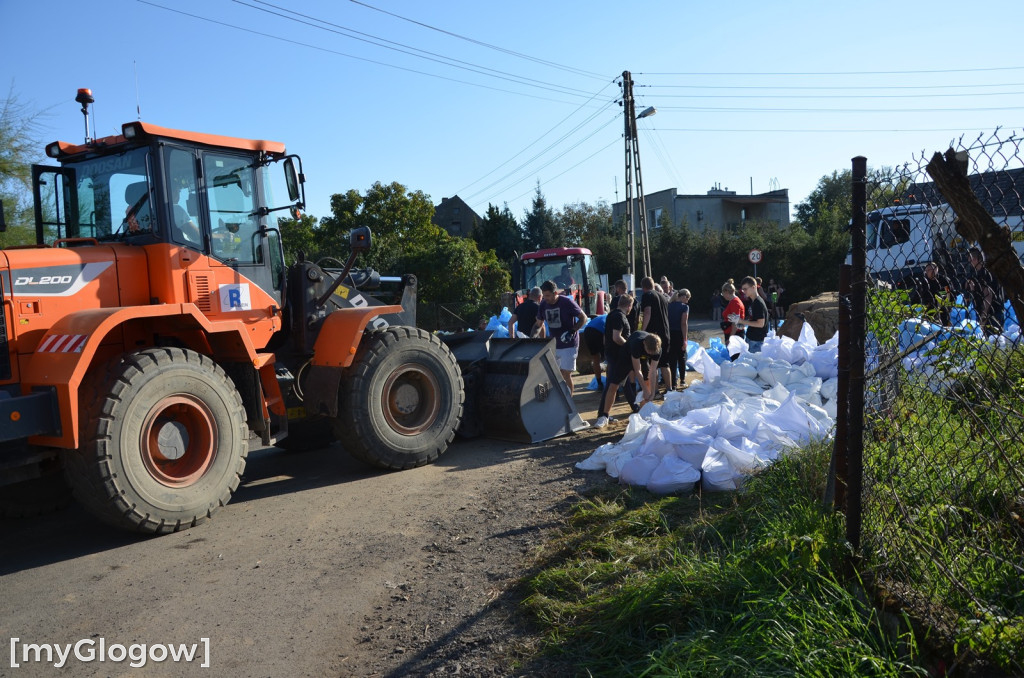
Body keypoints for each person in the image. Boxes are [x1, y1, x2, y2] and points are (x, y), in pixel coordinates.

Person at [595, 331, 662, 428]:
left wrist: (652, 393)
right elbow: (637, 370)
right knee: (614, 384)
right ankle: (604, 416)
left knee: (647, 381)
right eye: (649, 352)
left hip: (643, 359)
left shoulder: (657, 349)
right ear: (644, 344)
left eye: (653, 353)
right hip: (626, 357)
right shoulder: (636, 344)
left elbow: (652, 371)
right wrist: (645, 390)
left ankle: (643, 414)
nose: (651, 354)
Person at [534, 279, 588, 394]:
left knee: (565, 373)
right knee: (555, 374)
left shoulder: (566, 302)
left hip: (569, 344)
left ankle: (570, 403)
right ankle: (560, 401)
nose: (545, 298)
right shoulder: (543, 304)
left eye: (548, 295)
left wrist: (572, 331)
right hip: (554, 344)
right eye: (544, 295)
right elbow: (538, 324)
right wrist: (532, 338)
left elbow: (583, 318)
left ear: (555, 293)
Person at [639, 276, 672, 394]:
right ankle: (669, 389)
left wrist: (643, 330)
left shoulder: (647, 296)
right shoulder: (663, 297)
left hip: (654, 335)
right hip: (666, 333)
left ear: (643, 287)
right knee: (665, 363)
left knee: (654, 365)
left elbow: (647, 312)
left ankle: (655, 391)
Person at [965, 246, 1005, 336]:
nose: (968, 260)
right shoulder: (976, 273)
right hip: (987, 311)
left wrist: (983, 315)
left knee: (992, 338)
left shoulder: (985, 273)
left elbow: (988, 295)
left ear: (975, 259)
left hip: (992, 313)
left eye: (969, 258)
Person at [733, 276, 769, 353]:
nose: (743, 291)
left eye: (745, 289)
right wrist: (741, 323)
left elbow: (760, 324)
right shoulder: (752, 301)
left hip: (756, 341)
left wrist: (742, 321)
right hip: (752, 338)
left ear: (753, 287)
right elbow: (754, 319)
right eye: (742, 289)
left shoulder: (758, 303)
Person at [666, 289, 690, 389]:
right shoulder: (685, 307)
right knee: (681, 357)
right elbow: (684, 323)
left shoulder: (669, 305)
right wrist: (685, 339)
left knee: (672, 358)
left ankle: (673, 382)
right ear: (684, 297)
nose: (688, 301)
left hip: (669, 334)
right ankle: (683, 380)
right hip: (679, 333)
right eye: (688, 298)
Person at [581, 312, 607, 390]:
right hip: (598, 332)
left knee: (595, 358)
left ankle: (599, 383)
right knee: (609, 359)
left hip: (587, 331)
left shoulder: (604, 316)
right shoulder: (616, 318)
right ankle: (610, 384)